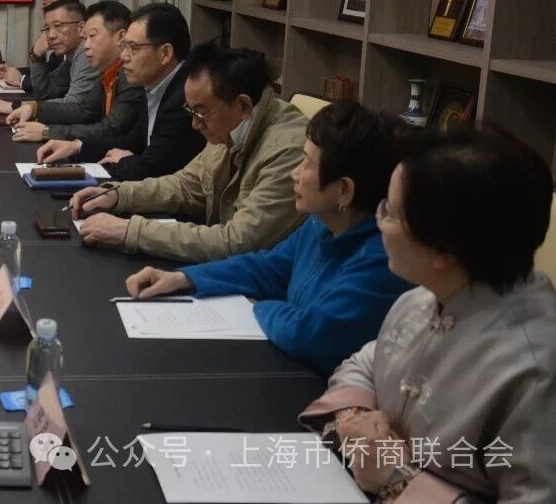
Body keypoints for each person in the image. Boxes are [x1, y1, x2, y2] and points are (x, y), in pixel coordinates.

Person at [298, 128, 555, 502]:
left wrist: (397, 479)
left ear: (444, 251)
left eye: (390, 212)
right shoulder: (424, 299)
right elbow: (364, 365)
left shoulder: (535, 370)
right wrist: (354, 419)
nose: (378, 222)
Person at [125, 102, 411, 374]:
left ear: (344, 190)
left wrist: (255, 306)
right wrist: (183, 278)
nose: (294, 174)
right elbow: (267, 267)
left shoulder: (381, 260)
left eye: (307, 164)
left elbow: (310, 333)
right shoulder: (320, 223)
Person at [69, 42, 307, 262]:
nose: (194, 124)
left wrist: (130, 231)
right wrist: (118, 195)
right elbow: (186, 186)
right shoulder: (231, 125)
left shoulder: (288, 151)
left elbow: (237, 241)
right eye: (190, 111)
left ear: (243, 105)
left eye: (200, 112)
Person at [36, 3, 206, 181]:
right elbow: (132, 142)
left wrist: (126, 161)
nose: (123, 56)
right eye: (125, 46)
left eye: (133, 48)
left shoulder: (185, 97)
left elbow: (154, 168)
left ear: (165, 53)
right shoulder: (154, 85)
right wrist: (77, 147)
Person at [9, 0, 144, 144]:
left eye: (92, 36)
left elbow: (110, 130)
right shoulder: (109, 71)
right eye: (86, 38)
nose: (86, 45)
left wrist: (47, 131)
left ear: (121, 37)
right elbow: (83, 110)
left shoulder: (131, 75)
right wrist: (33, 108)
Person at [0, 0, 98, 119]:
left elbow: (73, 106)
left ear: (81, 28)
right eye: (47, 28)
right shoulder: (71, 58)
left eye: (58, 26)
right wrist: (36, 56)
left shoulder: (87, 56)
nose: (51, 35)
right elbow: (45, 93)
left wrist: (16, 106)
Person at [0, 0, 80, 92]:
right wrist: (13, 72)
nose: (48, 9)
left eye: (55, 3)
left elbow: (60, 89)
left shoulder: (84, 48)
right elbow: (50, 72)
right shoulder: (60, 46)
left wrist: (21, 80)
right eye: (45, 4)